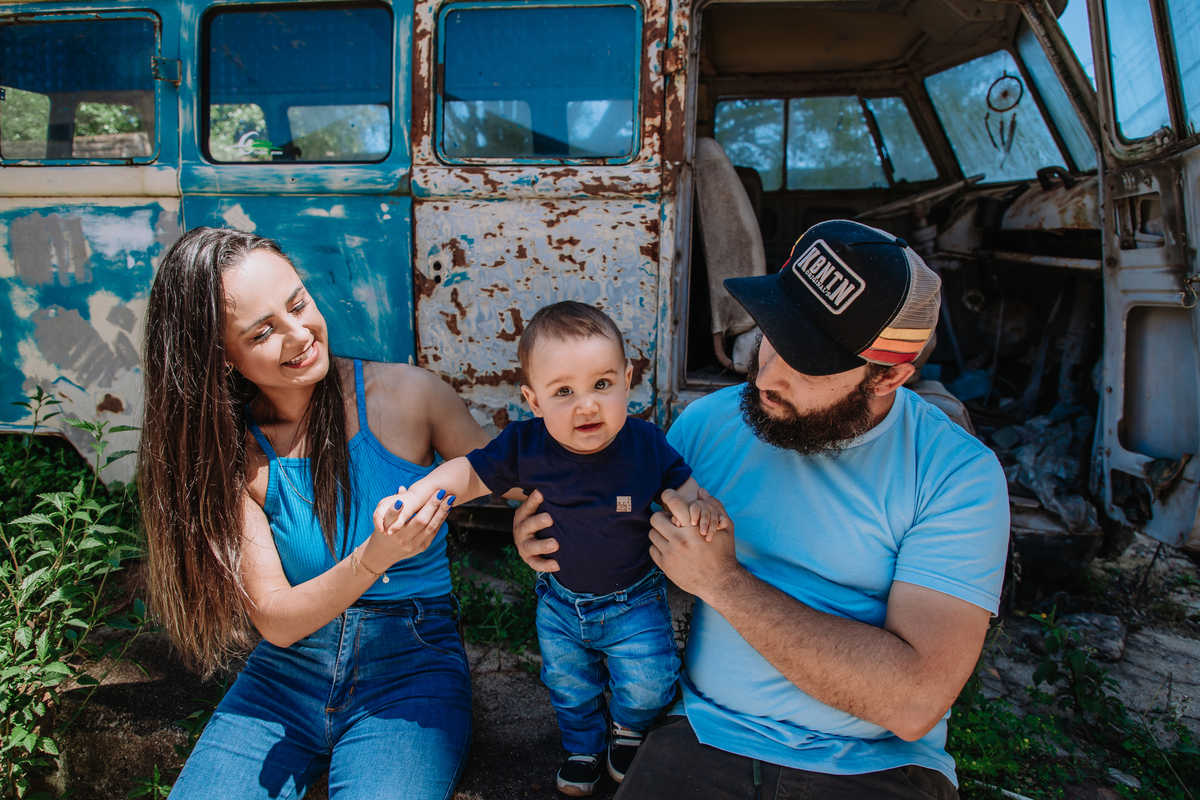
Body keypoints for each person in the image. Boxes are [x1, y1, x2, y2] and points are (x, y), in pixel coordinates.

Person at [513, 220, 1010, 799]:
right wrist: (555, 536)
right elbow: (623, 529)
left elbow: (913, 700)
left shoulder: (955, 476)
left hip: (875, 767)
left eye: (809, 358)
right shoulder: (708, 424)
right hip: (702, 735)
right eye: (774, 332)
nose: (768, 373)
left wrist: (724, 584)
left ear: (890, 375)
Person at [139, 227, 486, 799]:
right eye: (263, 332)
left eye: (298, 303)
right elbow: (276, 619)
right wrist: (377, 555)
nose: (300, 334)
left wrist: (536, 512)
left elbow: (510, 471)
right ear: (218, 357)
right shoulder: (231, 455)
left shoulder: (408, 395)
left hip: (410, 663)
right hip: (284, 672)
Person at [378, 301, 723, 796]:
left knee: (648, 679)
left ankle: (628, 728)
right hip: (560, 603)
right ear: (534, 400)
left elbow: (682, 486)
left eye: (602, 384)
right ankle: (583, 743)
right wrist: (423, 490)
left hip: (634, 599)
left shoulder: (646, 444)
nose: (587, 405)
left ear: (628, 380)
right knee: (567, 682)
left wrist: (699, 507)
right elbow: (470, 471)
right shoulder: (526, 447)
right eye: (564, 391)